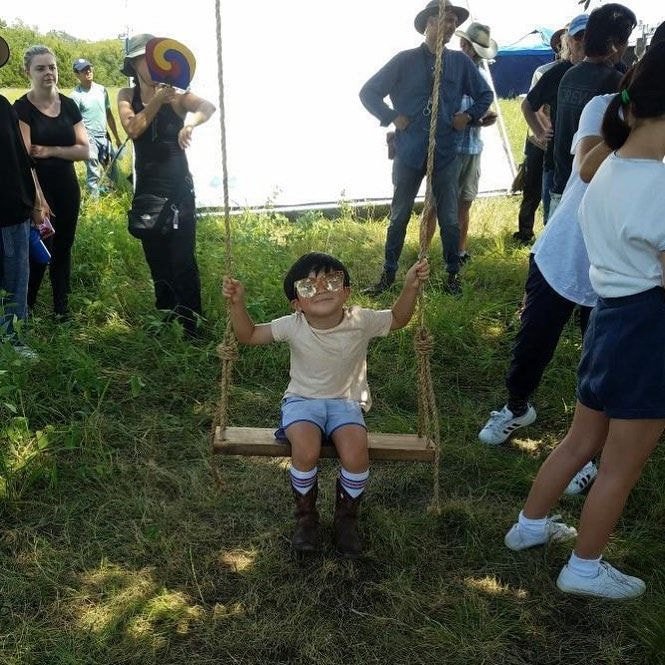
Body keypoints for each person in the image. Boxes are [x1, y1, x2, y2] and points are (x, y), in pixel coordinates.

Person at [503, 40, 665, 599]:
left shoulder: (606, 168)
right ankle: (585, 566)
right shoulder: (661, 186)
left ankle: (528, 527)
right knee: (621, 464)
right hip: (647, 331)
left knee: (579, 441)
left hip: (609, 320)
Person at [223, 253, 429, 557]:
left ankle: (346, 520)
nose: (320, 289)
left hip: (346, 402)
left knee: (356, 452)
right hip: (301, 402)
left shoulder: (361, 320)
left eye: (332, 280)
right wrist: (237, 304)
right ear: (296, 303)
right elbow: (250, 334)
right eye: (307, 287)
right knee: (305, 450)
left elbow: (398, 319)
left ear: (346, 291)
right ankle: (306, 518)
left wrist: (411, 287)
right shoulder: (293, 325)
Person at [360, 0, 492, 296]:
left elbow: (484, 94)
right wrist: (393, 116)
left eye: (454, 22)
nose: (451, 27)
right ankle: (388, 274)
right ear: (430, 23)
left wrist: (467, 117)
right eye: (446, 20)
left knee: (448, 217)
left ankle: (452, 275)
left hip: (446, 152)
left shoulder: (460, 62)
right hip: (409, 152)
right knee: (399, 215)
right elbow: (368, 92)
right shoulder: (404, 60)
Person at [117, 34, 215, 339]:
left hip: (178, 188)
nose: (148, 62)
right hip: (147, 187)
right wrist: (156, 100)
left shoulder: (176, 95)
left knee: (182, 259)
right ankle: (166, 318)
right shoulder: (125, 95)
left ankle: (192, 325)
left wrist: (190, 123)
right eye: (142, 58)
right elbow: (133, 129)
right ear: (133, 64)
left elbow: (207, 107)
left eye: (151, 55)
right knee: (156, 258)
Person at [14, 45, 90, 320]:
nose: (48, 73)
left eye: (52, 67)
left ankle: (61, 309)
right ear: (28, 72)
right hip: (36, 190)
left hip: (67, 187)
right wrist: (37, 199)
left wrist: (50, 150)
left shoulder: (69, 105)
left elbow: (84, 151)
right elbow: (24, 158)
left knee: (64, 248)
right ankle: (27, 310)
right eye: (41, 68)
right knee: (38, 249)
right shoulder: (21, 108)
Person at [549, 3, 636, 217]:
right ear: (614, 43)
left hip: (561, 180)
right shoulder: (615, 83)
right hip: (590, 188)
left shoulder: (569, 74)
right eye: (625, 41)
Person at [514, 14, 588, 243]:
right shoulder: (555, 72)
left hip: (590, 165)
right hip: (557, 163)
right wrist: (539, 131)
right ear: (568, 42)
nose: (583, 43)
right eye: (578, 38)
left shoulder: (608, 71)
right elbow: (528, 105)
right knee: (553, 227)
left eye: (589, 37)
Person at [0, 36, 50, 357]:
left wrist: (36, 199)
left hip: (11, 209)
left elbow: (21, 157)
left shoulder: (3, 107)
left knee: (16, 278)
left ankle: (14, 341)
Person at [454, 22, 498, 264]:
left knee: (465, 202)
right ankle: (425, 251)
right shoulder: (449, 73)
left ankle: (460, 251)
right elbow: (452, 114)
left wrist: (483, 118)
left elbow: (481, 109)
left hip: (472, 148)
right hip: (450, 149)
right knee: (437, 205)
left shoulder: (480, 74)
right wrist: (475, 119)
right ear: (465, 46)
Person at [71, 57, 122, 197]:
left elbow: (109, 114)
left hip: (103, 136)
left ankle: (112, 195)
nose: (88, 71)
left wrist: (117, 138)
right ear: (77, 74)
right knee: (94, 171)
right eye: (83, 70)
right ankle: (95, 201)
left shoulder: (101, 90)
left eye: (89, 68)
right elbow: (74, 122)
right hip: (89, 138)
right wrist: (80, 142)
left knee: (111, 168)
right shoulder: (75, 96)